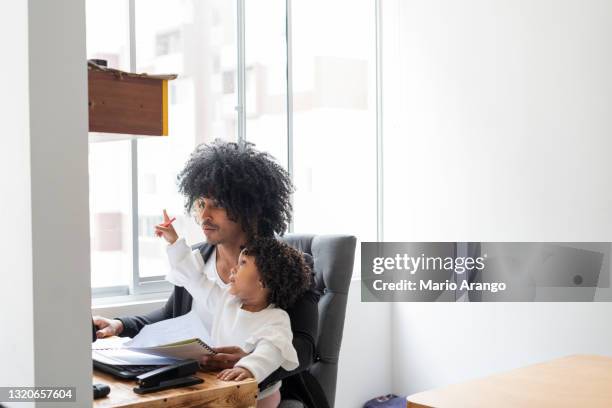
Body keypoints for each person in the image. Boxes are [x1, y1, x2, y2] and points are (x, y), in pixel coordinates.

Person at [93, 140, 326, 407]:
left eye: (217, 205)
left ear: (249, 208)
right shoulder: (196, 259)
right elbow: (171, 315)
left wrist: (251, 361)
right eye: (201, 203)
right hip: (197, 383)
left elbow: (305, 348)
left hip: (259, 391)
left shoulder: (283, 267)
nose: (204, 214)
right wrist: (120, 324)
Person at [164, 234, 311, 407]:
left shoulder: (275, 319)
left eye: (242, 264)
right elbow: (195, 280)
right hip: (224, 385)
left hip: (260, 396)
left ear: (262, 281)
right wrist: (175, 243)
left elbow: (271, 351)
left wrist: (247, 368)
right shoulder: (226, 300)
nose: (233, 268)